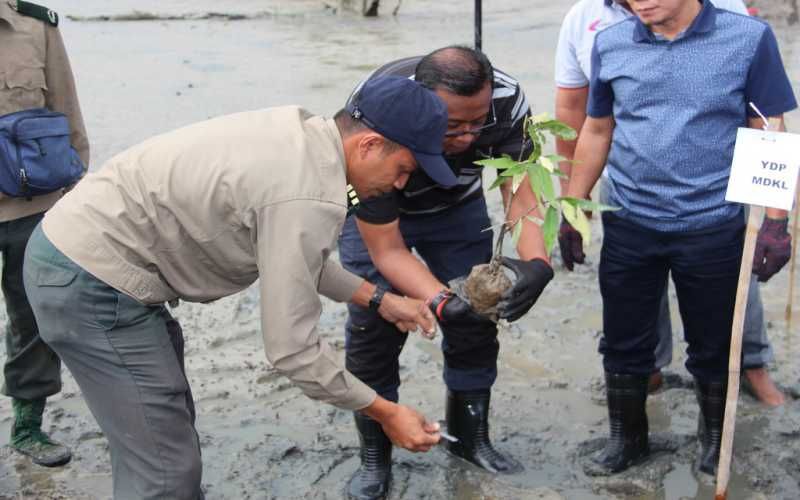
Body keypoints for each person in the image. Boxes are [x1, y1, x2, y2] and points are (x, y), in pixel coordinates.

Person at [23, 76, 449, 499]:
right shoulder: (306, 196)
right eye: (403, 170)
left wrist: (379, 299)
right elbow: (292, 351)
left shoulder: (303, 136)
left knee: (160, 429)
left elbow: (292, 258)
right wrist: (385, 411)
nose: (399, 185)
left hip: (80, 253)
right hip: (90, 281)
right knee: (166, 471)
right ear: (370, 145)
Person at [562, 0, 796, 475]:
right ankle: (627, 440)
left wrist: (776, 219)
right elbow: (597, 128)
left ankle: (714, 441)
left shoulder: (748, 38)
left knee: (714, 344)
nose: (639, 2)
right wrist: (574, 207)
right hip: (629, 220)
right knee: (625, 341)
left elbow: (767, 126)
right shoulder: (610, 43)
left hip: (712, 223)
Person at [341, 46, 554, 499]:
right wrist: (439, 300)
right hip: (377, 208)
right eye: (453, 125)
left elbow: (521, 186)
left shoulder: (508, 101)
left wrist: (537, 263)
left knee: (478, 318)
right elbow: (388, 249)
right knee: (373, 327)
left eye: (477, 123)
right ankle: (375, 457)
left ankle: (470, 438)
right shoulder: (379, 114)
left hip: (457, 208)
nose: (467, 136)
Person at [0, 0, 89, 467]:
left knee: (34, 315)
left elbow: (66, 108)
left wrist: (77, 190)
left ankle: (28, 427)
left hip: (29, 203)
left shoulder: (36, 26)